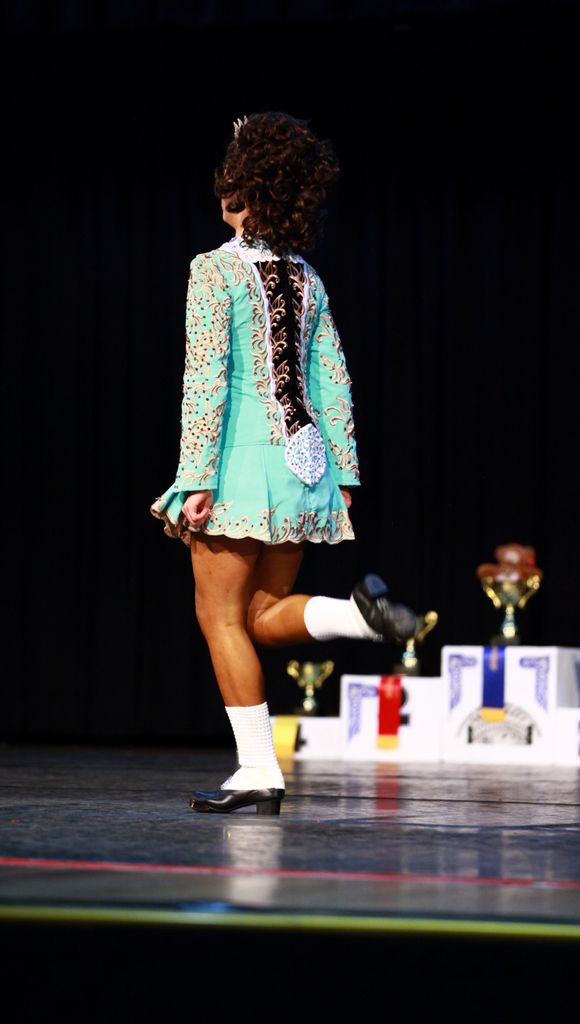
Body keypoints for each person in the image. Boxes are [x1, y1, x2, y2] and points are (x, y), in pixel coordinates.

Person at [150, 111, 416, 815]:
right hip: (304, 464)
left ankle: (257, 770)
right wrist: (343, 474)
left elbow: (206, 380)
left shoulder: (212, 270)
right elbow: (332, 378)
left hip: (239, 465)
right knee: (262, 615)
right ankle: (357, 619)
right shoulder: (307, 276)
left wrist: (195, 477)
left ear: (241, 191)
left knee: (219, 619)